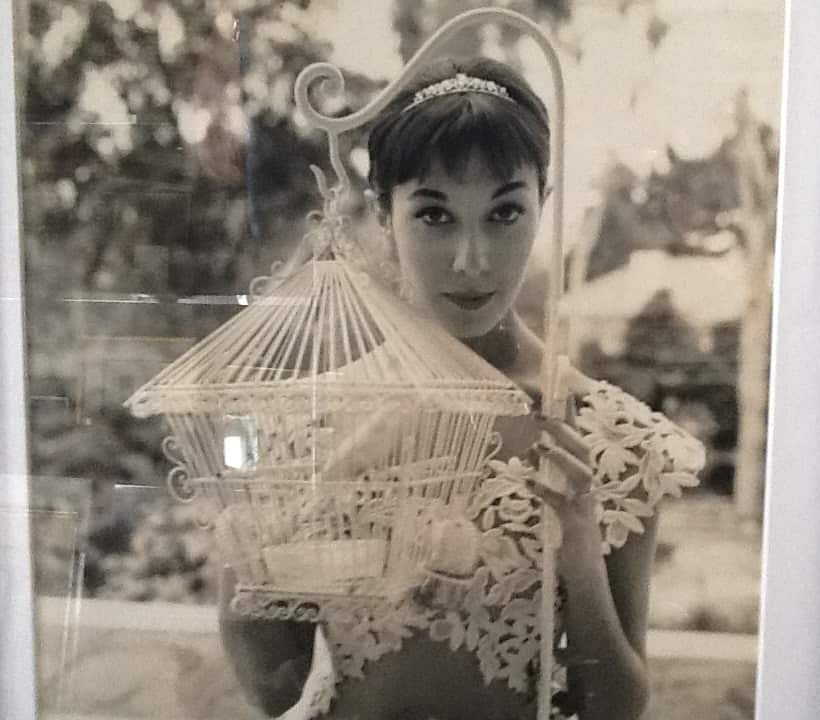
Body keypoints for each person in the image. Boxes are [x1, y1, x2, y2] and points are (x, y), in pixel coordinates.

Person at [219, 56, 704, 720]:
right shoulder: (308, 421)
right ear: (386, 213)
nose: (472, 259)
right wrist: (247, 538)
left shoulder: (609, 440)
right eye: (435, 216)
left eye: (504, 213)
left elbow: (614, 710)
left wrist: (581, 548)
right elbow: (276, 690)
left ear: (544, 205)